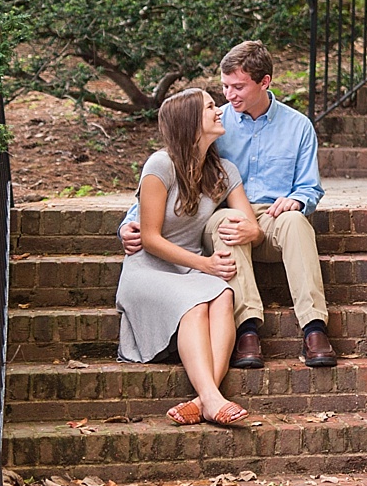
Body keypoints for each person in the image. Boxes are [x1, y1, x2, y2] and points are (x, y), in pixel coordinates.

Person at [120, 40, 336, 368]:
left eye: (238, 87)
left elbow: (308, 187)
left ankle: (314, 327)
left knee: (295, 222)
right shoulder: (216, 121)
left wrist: (296, 200)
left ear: (264, 82)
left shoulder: (298, 127)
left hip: (271, 216)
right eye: (224, 87)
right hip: (221, 218)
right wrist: (131, 219)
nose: (228, 96)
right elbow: (174, 163)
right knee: (229, 221)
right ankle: (247, 329)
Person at [116, 87, 258, 427]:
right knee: (195, 302)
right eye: (210, 107)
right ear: (190, 121)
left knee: (224, 294)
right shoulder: (159, 165)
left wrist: (251, 231)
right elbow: (149, 238)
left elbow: (251, 222)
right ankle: (212, 398)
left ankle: (205, 398)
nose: (219, 111)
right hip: (149, 269)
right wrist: (206, 265)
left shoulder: (224, 171)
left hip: (189, 268)